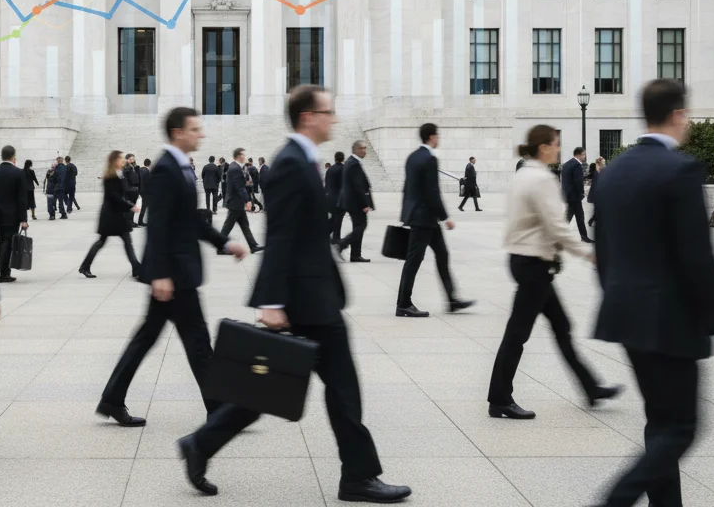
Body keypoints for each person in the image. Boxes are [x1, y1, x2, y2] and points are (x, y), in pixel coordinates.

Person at [177, 86, 411, 503]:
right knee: (339, 388)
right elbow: (281, 234)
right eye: (328, 112)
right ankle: (357, 476)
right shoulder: (289, 163)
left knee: (272, 385)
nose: (334, 119)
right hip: (307, 301)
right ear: (308, 117)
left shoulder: (301, 160)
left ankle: (201, 444)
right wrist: (271, 302)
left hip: (313, 295)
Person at [591, 80, 714, 507]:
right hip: (669, 321)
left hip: (625, 316)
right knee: (680, 428)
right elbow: (697, 257)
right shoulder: (680, 169)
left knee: (660, 422)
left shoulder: (614, 171)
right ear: (677, 115)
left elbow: (603, 251)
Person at [97, 107, 247, 428]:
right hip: (174, 275)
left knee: (155, 339)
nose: (201, 134)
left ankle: (112, 399)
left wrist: (223, 242)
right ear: (178, 132)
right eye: (195, 129)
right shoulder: (166, 169)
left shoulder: (179, 167)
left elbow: (189, 219)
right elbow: (159, 224)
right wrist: (161, 273)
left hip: (176, 272)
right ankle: (219, 411)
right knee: (197, 342)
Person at [487, 125, 622, 420]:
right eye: (556, 144)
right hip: (534, 264)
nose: (559, 149)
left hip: (524, 261)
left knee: (561, 327)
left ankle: (591, 388)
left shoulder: (522, 174)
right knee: (518, 333)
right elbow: (557, 226)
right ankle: (499, 398)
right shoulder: (541, 179)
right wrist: (588, 252)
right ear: (544, 147)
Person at [396, 123, 474, 318]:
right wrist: (445, 217)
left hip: (421, 217)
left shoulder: (412, 157)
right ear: (431, 137)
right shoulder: (430, 159)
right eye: (437, 135)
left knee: (442, 255)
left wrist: (406, 213)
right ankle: (403, 303)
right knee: (414, 261)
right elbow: (432, 192)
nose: (438, 139)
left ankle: (452, 300)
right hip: (425, 218)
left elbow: (408, 188)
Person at [79, 151, 141, 278]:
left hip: (116, 214)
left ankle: (136, 268)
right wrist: (130, 206)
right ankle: (85, 266)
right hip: (111, 215)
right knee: (103, 242)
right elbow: (115, 197)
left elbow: (121, 194)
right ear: (114, 161)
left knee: (124, 242)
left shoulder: (119, 174)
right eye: (121, 158)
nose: (123, 160)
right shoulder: (110, 177)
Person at [0, 146, 30, 283]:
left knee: (1, 240)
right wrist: (23, 219)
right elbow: (22, 198)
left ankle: (4, 271)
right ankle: (3, 271)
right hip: (12, 214)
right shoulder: (18, 173)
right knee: (8, 242)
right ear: (13, 157)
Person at [335, 141, 374, 262]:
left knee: (358, 226)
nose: (364, 151)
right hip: (355, 202)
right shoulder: (354, 164)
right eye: (362, 148)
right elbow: (358, 186)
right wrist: (364, 204)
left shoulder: (351, 162)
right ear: (356, 149)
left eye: (365, 148)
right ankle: (341, 245)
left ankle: (355, 255)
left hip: (350, 201)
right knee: (361, 225)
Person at [218, 148, 261, 253]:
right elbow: (239, 187)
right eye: (243, 155)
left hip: (236, 202)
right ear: (238, 156)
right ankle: (219, 246)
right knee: (228, 225)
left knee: (244, 225)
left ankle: (253, 246)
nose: (244, 157)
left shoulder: (235, 167)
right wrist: (248, 200)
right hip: (235, 202)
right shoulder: (235, 168)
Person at [560, 147, 591, 243]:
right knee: (575, 216)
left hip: (568, 195)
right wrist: (581, 193)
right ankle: (558, 235)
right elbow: (578, 182)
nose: (585, 157)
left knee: (577, 216)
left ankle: (584, 236)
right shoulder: (577, 165)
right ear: (579, 155)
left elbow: (565, 180)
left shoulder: (566, 164)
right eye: (584, 154)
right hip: (574, 196)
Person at [325, 150, 346, 244]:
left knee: (333, 218)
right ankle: (336, 237)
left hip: (330, 198)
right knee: (338, 219)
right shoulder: (344, 168)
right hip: (339, 199)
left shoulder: (330, 169)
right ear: (343, 158)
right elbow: (344, 185)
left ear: (335, 158)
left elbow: (326, 184)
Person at [586, 157, 605, 227]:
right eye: (603, 161)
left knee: (598, 209)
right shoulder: (596, 171)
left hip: (599, 193)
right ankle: (593, 221)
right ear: (600, 163)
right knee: (598, 209)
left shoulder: (601, 170)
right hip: (596, 193)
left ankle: (592, 220)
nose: (604, 163)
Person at [136, 158, 152, 226]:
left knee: (145, 206)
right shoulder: (147, 172)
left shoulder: (140, 170)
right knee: (144, 206)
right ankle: (140, 221)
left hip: (140, 190)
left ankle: (140, 221)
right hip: (146, 192)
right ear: (150, 164)